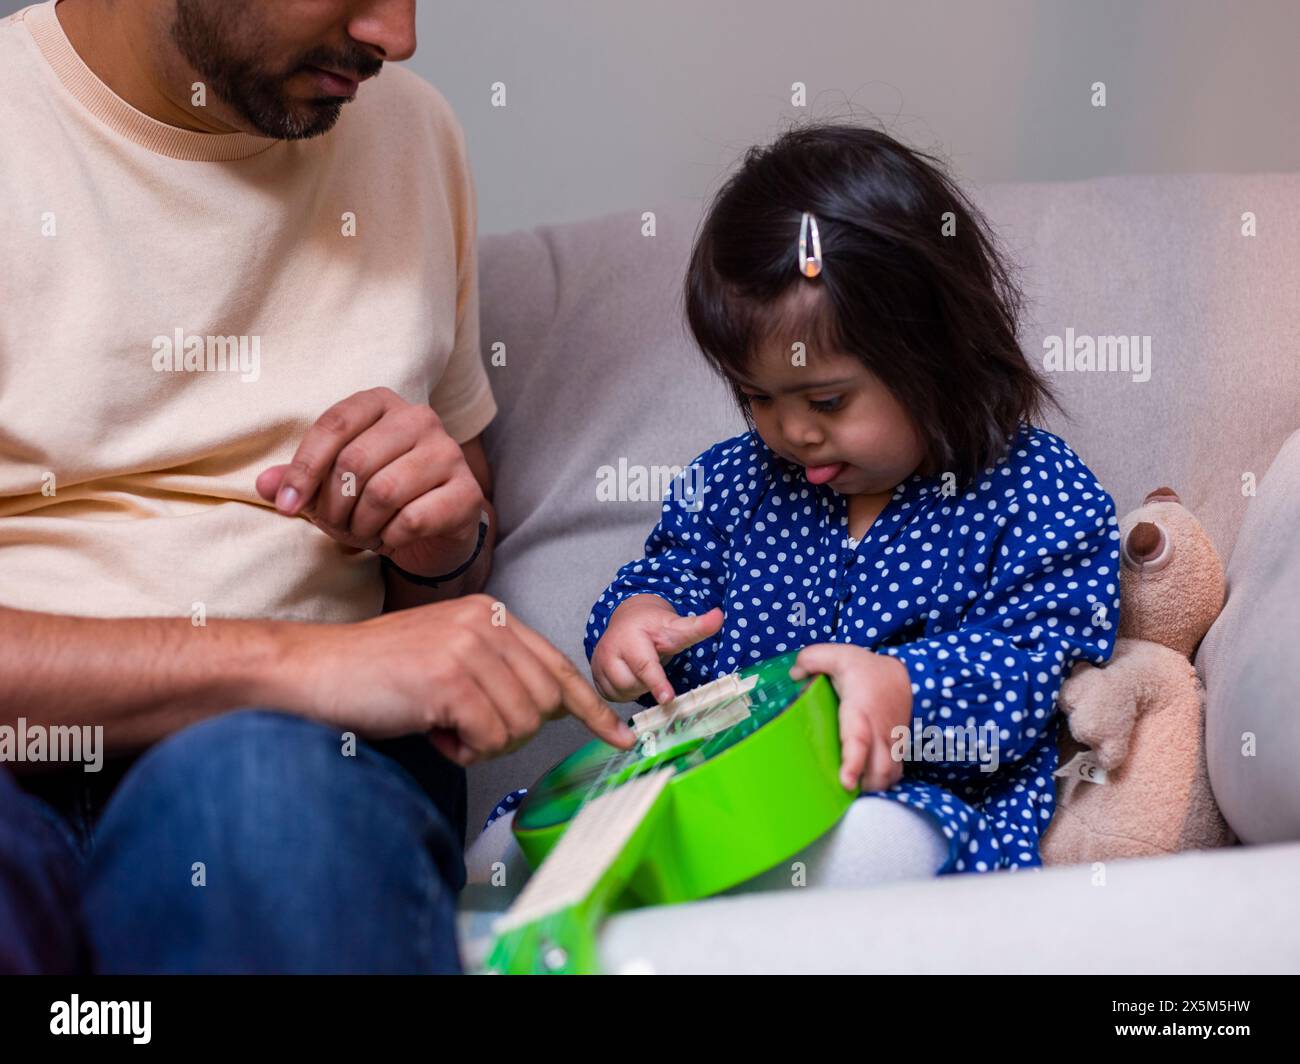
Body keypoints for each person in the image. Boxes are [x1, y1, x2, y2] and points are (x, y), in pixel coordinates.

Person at [0, 0, 633, 975]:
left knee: (254, 804)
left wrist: (439, 541)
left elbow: (455, 536)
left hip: (305, 773)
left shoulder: (412, 133)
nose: (397, 36)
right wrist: (297, 662)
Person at [479, 124, 1123, 887]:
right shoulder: (730, 483)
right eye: (758, 397)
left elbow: (1034, 666)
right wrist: (634, 621)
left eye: (827, 399)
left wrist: (906, 689)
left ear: (941, 354)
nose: (793, 430)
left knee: (870, 849)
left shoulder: (1036, 491)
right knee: (503, 855)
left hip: (895, 796)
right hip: (706, 793)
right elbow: (673, 574)